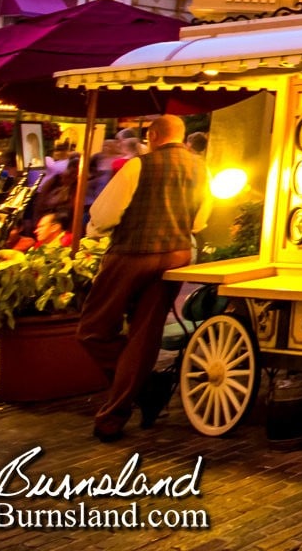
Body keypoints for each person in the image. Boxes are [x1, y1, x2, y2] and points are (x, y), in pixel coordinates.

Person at [76, 115, 209, 441]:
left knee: (93, 329)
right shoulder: (201, 168)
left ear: (152, 135)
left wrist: (94, 232)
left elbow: (105, 214)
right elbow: (200, 221)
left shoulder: (139, 166)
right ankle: (116, 413)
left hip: (133, 253)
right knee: (144, 336)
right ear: (181, 136)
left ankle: (143, 388)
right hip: (176, 254)